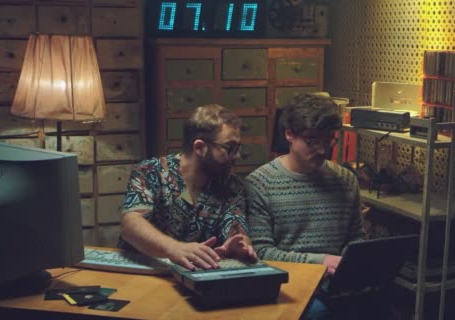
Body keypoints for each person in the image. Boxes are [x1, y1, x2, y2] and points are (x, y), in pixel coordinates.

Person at [245, 93, 370, 319]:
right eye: (313, 141)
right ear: (289, 134)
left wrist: (352, 267)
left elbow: (356, 238)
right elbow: (262, 253)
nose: (323, 150)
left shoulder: (345, 180)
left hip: (336, 285)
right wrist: (320, 262)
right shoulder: (260, 183)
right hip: (289, 284)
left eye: (329, 140)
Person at [119, 104, 257, 271]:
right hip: (143, 272)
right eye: (230, 148)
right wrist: (173, 248)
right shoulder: (150, 172)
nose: (237, 156)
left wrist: (239, 246)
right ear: (199, 147)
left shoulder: (230, 185)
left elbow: (236, 227)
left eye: (238, 147)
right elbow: (131, 224)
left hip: (195, 278)